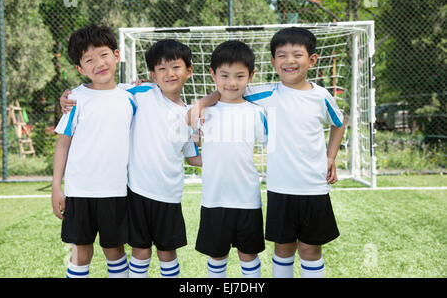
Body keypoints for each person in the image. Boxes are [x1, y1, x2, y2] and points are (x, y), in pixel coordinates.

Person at [188, 27, 345, 278]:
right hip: (280, 188)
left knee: (310, 249)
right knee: (282, 249)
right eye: (282, 55)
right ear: (273, 61)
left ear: (312, 59)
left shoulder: (321, 96)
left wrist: (330, 157)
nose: (289, 61)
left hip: (314, 187)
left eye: (297, 55)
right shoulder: (262, 93)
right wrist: (201, 104)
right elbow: (226, 89)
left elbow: (339, 122)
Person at [60, 39, 201, 278]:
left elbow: (193, 157)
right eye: (162, 69)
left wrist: (224, 158)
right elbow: (100, 90)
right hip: (136, 193)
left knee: (168, 253)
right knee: (140, 251)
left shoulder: (189, 116)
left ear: (189, 71)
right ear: (152, 75)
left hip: (170, 196)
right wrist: (68, 97)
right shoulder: (140, 93)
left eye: (176, 67)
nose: (169, 74)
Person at [52, 24, 136, 278]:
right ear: (80, 69)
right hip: (80, 190)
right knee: (81, 251)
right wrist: (57, 186)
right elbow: (63, 143)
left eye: (103, 54)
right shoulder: (75, 99)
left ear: (117, 55)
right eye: (89, 60)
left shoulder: (131, 95)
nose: (98, 63)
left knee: (115, 250)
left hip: (117, 189)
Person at [194, 40, 268, 278]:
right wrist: (203, 103)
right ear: (212, 75)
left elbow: (273, 146)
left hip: (247, 199)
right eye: (224, 75)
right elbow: (190, 151)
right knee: (217, 256)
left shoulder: (257, 112)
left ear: (251, 75)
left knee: (248, 255)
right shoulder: (203, 113)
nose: (232, 83)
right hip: (214, 199)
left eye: (240, 76)